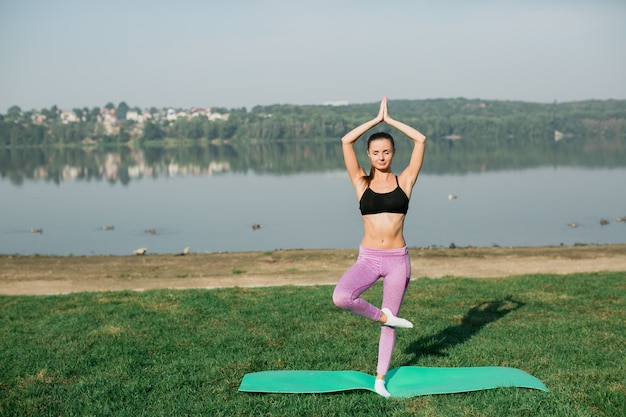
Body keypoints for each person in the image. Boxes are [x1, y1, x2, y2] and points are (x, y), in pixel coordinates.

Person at [332, 97, 426, 398]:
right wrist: (376, 120)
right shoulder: (361, 181)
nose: (381, 156)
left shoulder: (406, 180)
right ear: (369, 155)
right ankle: (383, 316)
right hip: (369, 259)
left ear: (393, 153)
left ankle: (380, 379)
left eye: (386, 151)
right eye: (375, 152)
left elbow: (421, 139)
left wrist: (391, 121)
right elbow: (346, 140)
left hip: (398, 260)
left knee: (391, 326)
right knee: (342, 297)